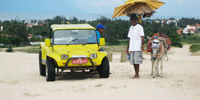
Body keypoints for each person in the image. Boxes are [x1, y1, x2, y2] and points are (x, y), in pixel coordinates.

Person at [126, 14, 145, 79]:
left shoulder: (140, 27)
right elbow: (130, 38)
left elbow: (142, 37)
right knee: (133, 62)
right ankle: (136, 74)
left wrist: (142, 45)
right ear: (131, 20)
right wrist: (127, 48)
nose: (133, 21)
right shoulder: (131, 27)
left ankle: (137, 74)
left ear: (137, 20)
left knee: (137, 62)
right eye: (132, 20)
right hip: (132, 47)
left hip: (138, 47)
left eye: (135, 20)